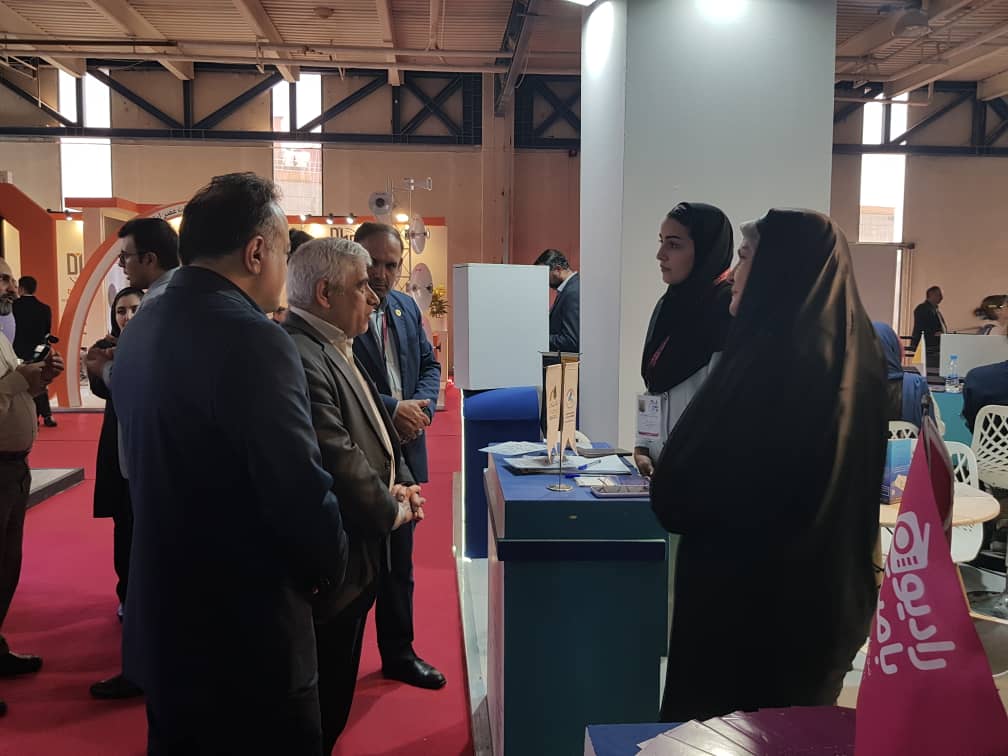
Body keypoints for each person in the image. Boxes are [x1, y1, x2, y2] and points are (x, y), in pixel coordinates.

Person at [111, 173, 350, 754]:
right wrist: (332, 566)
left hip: (166, 616)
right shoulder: (254, 339)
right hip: (245, 634)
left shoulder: (144, 322)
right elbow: (297, 488)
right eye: (285, 252)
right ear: (257, 251)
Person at [650, 209, 885, 723]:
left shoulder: (774, 363)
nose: (733, 273)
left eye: (744, 257)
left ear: (780, 267)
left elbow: (683, 493)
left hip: (749, 620)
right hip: (820, 611)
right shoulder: (854, 354)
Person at [284, 237, 424, 751]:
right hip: (335, 560)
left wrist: (398, 480)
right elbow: (335, 451)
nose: (373, 295)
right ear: (325, 293)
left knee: (336, 690)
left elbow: (375, 430)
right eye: (362, 284)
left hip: (356, 550)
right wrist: (393, 507)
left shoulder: (333, 340)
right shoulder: (300, 352)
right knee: (322, 703)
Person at [352, 222, 445, 690]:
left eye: (391, 264)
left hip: (406, 451)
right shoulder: (341, 310)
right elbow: (343, 381)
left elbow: (430, 364)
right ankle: (336, 667)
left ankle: (399, 653)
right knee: (357, 569)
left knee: (400, 564)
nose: (382, 274)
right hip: (359, 458)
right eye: (373, 263)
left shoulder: (406, 308)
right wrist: (394, 409)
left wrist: (420, 408)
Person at [0, 259, 64, 718]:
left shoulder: (2, 337)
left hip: (12, 467)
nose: (10, 287)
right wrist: (18, 379)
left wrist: (39, 377)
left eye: (9, 278)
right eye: (2, 279)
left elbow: (13, 391)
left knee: (6, 567)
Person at [633, 203, 733, 478]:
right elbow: (654, 384)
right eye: (661, 242)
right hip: (660, 470)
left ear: (706, 250)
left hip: (701, 476)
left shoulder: (727, 310)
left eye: (674, 245)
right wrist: (643, 445)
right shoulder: (668, 305)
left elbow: (723, 409)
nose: (660, 254)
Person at [87, 286, 145, 701]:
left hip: (149, 458)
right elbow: (104, 390)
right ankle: (127, 596)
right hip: (119, 453)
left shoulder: (153, 345)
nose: (127, 316)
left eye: (134, 308)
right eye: (121, 310)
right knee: (124, 528)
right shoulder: (106, 347)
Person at [11, 275, 56, 427]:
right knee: (39, 382)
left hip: (17, 351)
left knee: (21, 384)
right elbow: (46, 332)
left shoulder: (13, 307)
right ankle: (46, 415)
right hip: (38, 351)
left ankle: (31, 417)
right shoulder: (44, 308)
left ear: (21, 288)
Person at [874, 321, 928, 427]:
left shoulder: (851, 388)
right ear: (894, 347)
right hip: (910, 438)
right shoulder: (916, 385)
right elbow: (934, 428)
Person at [534, 249, 580, 356]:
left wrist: (539, 337)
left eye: (544, 275)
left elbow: (571, 340)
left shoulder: (573, 292)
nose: (543, 280)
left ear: (558, 269)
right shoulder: (569, 288)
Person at [910, 285, 948, 364]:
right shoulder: (922, 308)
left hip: (935, 347)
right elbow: (921, 327)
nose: (942, 298)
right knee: (930, 368)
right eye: (939, 295)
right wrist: (935, 333)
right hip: (928, 347)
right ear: (931, 295)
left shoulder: (935, 309)